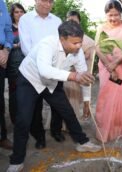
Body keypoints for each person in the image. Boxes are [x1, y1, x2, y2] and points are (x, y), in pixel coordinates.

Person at [7, 21, 102, 172]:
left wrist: (86, 100)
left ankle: (82, 142)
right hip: (29, 80)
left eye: (80, 42)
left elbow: (83, 75)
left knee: (68, 112)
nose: (78, 46)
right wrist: (73, 75)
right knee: (23, 119)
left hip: (52, 83)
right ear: (62, 39)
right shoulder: (47, 44)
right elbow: (44, 70)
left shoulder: (78, 52)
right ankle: (17, 161)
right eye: (75, 43)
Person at [18, 0, 64, 149]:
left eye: (51, 1)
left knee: (57, 104)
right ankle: (39, 137)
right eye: (44, 0)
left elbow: (62, 45)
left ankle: (56, 131)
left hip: (55, 69)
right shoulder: (25, 19)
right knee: (35, 106)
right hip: (34, 71)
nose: (47, 4)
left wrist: (53, 68)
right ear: (36, 1)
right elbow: (26, 46)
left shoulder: (57, 21)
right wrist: (43, 66)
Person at [95, 0, 122, 143]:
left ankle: (121, 131)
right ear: (105, 15)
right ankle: (105, 131)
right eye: (110, 15)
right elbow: (97, 48)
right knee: (106, 99)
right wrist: (109, 65)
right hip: (106, 68)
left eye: (116, 15)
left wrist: (115, 63)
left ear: (121, 14)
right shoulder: (102, 28)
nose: (113, 18)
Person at [6, 3, 26, 124]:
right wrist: (15, 45)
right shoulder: (9, 28)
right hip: (13, 63)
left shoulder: (27, 26)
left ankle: (25, 117)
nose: (19, 14)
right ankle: (15, 119)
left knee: (26, 92)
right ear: (12, 14)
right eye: (16, 12)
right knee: (14, 92)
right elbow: (4, 43)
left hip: (27, 64)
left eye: (21, 11)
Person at [0, 0, 13, 150]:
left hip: (1, 55)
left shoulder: (2, 3)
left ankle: (2, 136)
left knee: (0, 102)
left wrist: (6, 50)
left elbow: (9, 31)